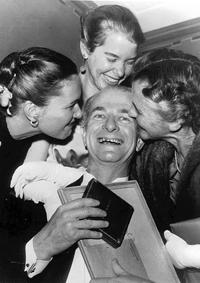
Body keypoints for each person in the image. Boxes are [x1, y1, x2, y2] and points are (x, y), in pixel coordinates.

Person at [11, 86, 151, 283]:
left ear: (139, 141)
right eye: (99, 116)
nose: (110, 126)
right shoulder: (33, 198)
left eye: (125, 118)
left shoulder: (155, 216)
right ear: (84, 135)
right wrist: (42, 246)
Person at [0, 46, 108, 283]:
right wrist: (41, 246)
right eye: (71, 105)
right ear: (32, 111)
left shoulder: (37, 141)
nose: (79, 114)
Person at [127, 47, 200, 282]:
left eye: (138, 110)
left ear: (178, 118)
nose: (130, 113)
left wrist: (192, 256)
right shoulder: (160, 154)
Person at [46, 4, 145, 168]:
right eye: (112, 59)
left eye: (129, 62)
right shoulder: (53, 94)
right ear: (85, 49)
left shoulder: (133, 106)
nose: (120, 72)